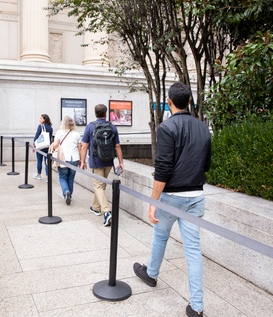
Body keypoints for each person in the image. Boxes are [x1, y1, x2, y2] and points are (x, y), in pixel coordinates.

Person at [133, 82, 211, 317]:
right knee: (193, 251)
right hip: (196, 196)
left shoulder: (166, 128)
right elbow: (206, 164)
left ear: (169, 102)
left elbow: (163, 168)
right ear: (189, 102)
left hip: (171, 197)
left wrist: (153, 202)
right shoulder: (203, 127)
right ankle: (196, 307)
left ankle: (152, 274)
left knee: (160, 235)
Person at [80, 104, 124, 227]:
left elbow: (84, 146)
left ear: (95, 114)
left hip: (96, 162)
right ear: (106, 113)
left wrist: (82, 161)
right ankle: (95, 207)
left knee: (98, 186)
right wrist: (121, 162)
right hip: (109, 161)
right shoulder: (112, 127)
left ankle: (106, 211)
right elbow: (117, 146)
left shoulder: (90, 126)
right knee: (101, 185)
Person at [52, 116, 81, 205]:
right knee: (71, 178)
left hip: (63, 159)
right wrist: (81, 160)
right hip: (75, 158)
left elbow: (55, 145)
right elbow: (79, 148)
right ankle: (70, 196)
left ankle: (66, 192)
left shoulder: (60, 132)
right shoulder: (77, 134)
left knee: (63, 177)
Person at [33, 114, 53, 182]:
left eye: (41, 118)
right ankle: (47, 177)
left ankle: (39, 175)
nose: (40, 119)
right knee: (46, 162)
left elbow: (37, 136)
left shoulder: (40, 126)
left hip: (40, 146)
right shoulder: (50, 128)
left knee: (39, 160)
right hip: (47, 146)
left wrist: (34, 145)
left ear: (44, 119)